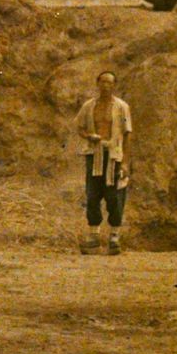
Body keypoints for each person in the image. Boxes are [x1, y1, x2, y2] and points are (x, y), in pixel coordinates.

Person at [75, 68, 132, 255]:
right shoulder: (89, 106)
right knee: (92, 195)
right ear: (97, 84)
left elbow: (127, 135)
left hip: (114, 155)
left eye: (109, 82)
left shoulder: (122, 107)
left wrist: (124, 162)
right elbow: (80, 127)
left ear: (114, 85)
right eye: (102, 82)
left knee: (114, 196)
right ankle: (94, 236)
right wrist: (89, 136)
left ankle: (114, 235)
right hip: (94, 154)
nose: (106, 85)